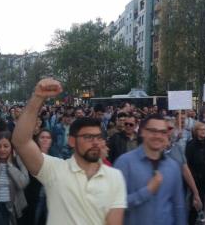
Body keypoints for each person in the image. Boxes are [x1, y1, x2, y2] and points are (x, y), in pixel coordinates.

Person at [12, 78, 127, 225]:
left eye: (98, 137)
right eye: (88, 137)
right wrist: (38, 98)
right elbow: (21, 142)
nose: (95, 142)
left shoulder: (115, 177)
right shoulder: (55, 170)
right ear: (72, 141)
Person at [114, 114, 186, 225]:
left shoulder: (173, 167)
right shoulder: (124, 163)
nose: (158, 136)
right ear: (142, 132)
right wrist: (147, 191)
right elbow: (115, 205)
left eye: (163, 132)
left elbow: (178, 207)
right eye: (153, 131)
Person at [186, 121, 205, 224]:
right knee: (195, 205)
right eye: (201, 129)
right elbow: (188, 164)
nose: (203, 131)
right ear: (196, 131)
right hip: (195, 180)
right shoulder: (190, 145)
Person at [20, 129, 53, 225]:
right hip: (34, 197)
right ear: (38, 140)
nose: (45, 140)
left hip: (50, 198)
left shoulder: (55, 156)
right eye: (42, 137)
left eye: (48, 137)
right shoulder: (31, 156)